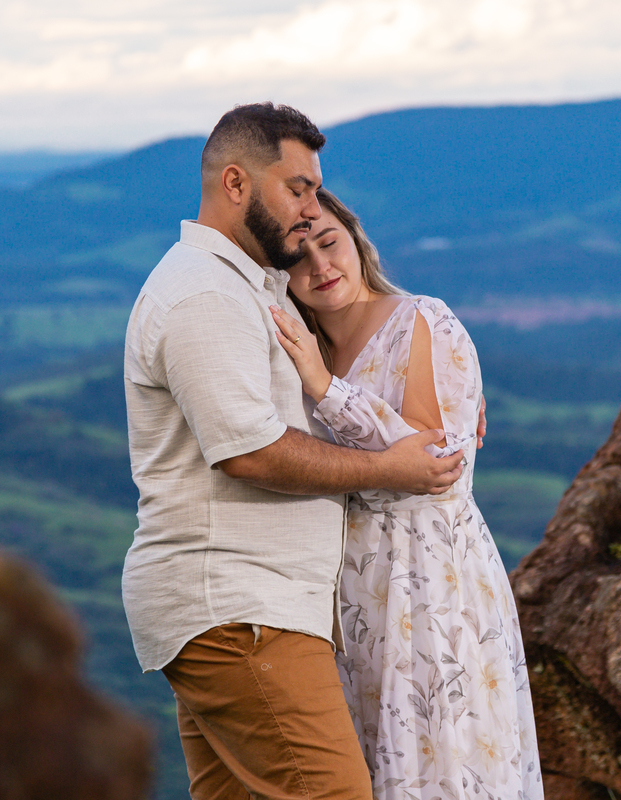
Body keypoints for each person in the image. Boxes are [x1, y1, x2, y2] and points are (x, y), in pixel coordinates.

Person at [122, 103, 468, 800]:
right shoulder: (205, 295)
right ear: (235, 184)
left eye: (315, 190)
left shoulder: (247, 286)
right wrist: (389, 467)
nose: (311, 208)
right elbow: (250, 453)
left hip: (241, 609)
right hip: (240, 610)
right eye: (297, 188)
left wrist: (446, 381)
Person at [270, 188, 543, 800]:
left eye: (329, 242)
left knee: (442, 763)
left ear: (356, 239)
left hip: (430, 581)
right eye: (298, 257)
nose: (320, 266)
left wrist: (326, 389)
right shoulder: (300, 346)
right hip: (349, 597)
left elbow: (438, 468)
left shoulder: (422, 321)